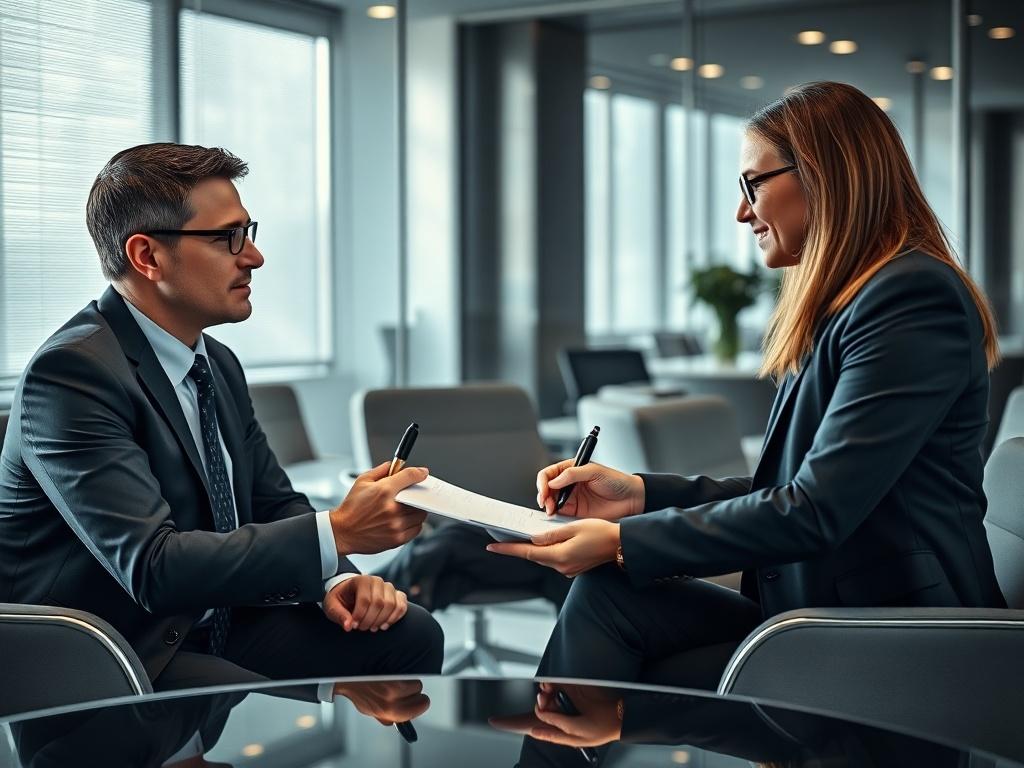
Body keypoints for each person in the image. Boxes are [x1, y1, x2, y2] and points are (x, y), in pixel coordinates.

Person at [488, 81, 1007, 688]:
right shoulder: (849, 303)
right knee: (607, 599)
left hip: (900, 639)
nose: (743, 212)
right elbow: (793, 486)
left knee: (613, 606)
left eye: (752, 184)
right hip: (820, 611)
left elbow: (814, 511)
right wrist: (638, 496)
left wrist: (621, 540)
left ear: (823, 175)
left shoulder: (911, 297)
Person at [0, 143, 443, 691]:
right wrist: (340, 530)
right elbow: (154, 567)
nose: (253, 256)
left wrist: (336, 579)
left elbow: (272, 502)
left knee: (410, 633)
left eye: (248, 232)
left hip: (215, 617)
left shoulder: (217, 362)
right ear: (147, 256)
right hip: (120, 648)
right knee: (217, 687)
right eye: (227, 237)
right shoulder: (71, 374)